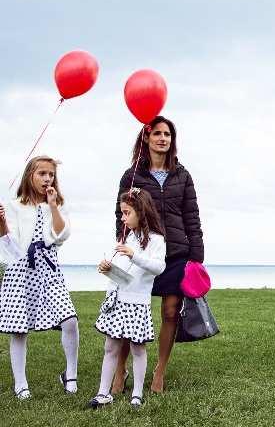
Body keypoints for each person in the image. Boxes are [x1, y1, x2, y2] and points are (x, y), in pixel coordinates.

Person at [111, 115, 204, 394]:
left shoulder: (183, 175)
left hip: (175, 253)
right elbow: (121, 215)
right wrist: (122, 246)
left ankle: (160, 371)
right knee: (129, 312)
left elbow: (192, 216)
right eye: (158, 134)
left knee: (170, 311)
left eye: (168, 134)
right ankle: (120, 370)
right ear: (147, 138)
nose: (163, 138)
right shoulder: (132, 175)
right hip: (140, 252)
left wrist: (196, 256)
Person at [0, 156, 79, 400]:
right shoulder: (14, 206)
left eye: (51, 174)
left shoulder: (58, 204)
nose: (47, 179)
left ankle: (70, 375)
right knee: (19, 328)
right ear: (30, 176)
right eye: (42, 174)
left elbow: (61, 235)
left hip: (49, 269)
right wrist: (2, 224)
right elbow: (11, 248)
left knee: (70, 320)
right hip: (21, 270)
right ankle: (21, 383)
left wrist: (53, 206)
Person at [89, 188, 166, 409]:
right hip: (117, 300)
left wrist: (135, 255)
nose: (122, 218)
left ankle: (137, 393)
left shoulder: (156, 240)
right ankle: (103, 393)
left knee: (138, 348)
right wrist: (107, 267)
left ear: (141, 211)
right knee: (110, 347)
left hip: (137, 303)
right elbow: (122, 271)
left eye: (126, 213)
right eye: (122, 213)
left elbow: (158, 267)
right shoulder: (127, 236)